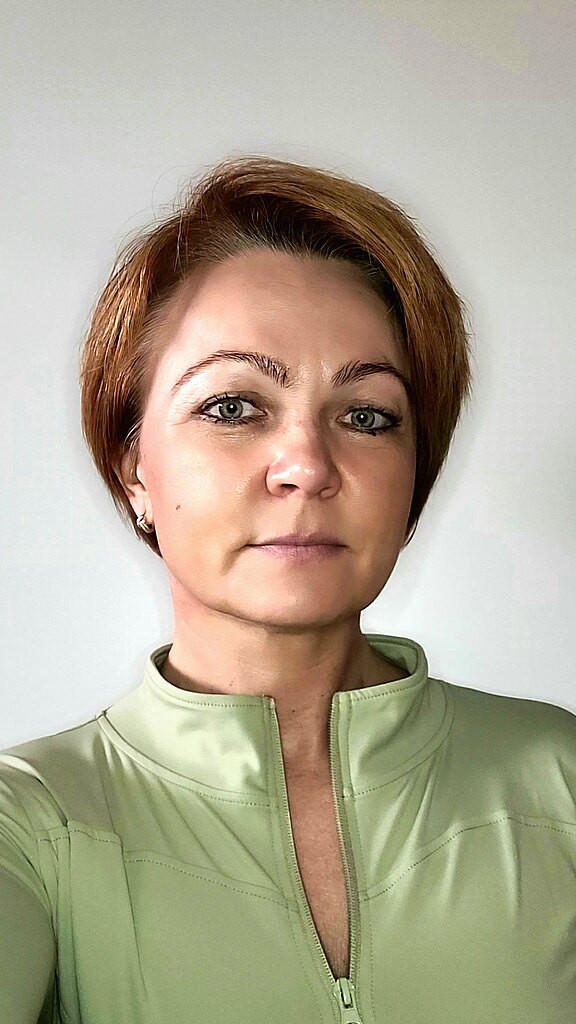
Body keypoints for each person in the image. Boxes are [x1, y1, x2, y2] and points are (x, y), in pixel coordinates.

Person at [1, 155, 575, 1024]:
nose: (307, 465)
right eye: (233, 407)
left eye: (367, 416)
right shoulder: (28, 826)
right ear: (133, 468)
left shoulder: (560, 782)